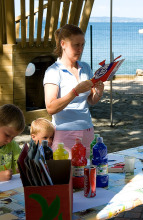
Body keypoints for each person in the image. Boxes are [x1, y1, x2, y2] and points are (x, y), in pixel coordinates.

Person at [44, 24, 104, 158]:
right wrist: (75, 92)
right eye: (76, 45)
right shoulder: (53, 71)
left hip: (88, 130)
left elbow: (90, 100)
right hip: (66, 133)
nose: (80, 49)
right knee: (68, 176)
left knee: (87, 174)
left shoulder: (85, 67)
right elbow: (50, 107)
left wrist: (99, 92)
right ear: (63, 44)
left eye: (83, 45)